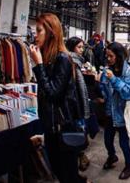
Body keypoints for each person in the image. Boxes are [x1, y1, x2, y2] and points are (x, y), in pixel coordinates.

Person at [29, 13, 84, 183]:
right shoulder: (49, 59)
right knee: (59, 172)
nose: (35, 35)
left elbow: (53, 93)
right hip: (51, 127)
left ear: (51, 33)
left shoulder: (63, 59)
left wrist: (38, 66)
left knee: (67, 174)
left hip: (62, 127)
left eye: (39, 31)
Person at [99, 42, 130, 180]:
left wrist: (113, 79)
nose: (108, 59)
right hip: (109, 112)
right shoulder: (107, 69)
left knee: (123, 142)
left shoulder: (129, 72)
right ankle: (112, 156)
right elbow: (104, 90)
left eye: (111, 56)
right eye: (107, 56)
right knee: (107, 140)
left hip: (122, 113)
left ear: (119, 56)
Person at [66, 37, 92, 172]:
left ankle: (79, 157)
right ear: (71, 48)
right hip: (74, 104)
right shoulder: (70, 62)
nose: (82, 50)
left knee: (79, 132)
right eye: (79, 47)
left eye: (82, 47)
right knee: (76, 133)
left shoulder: (77, 62)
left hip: (77, 103)